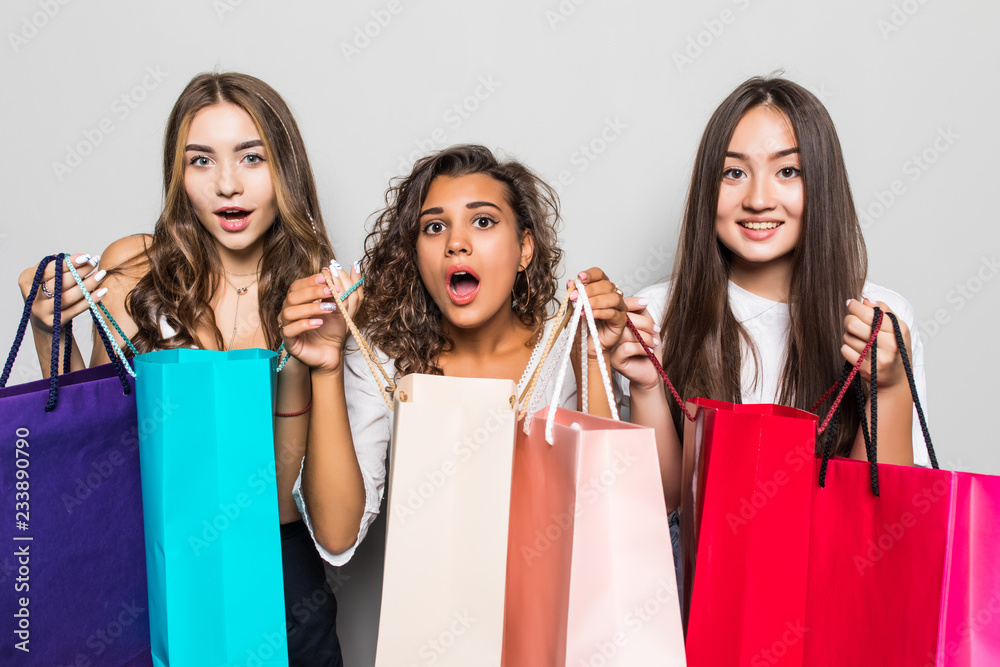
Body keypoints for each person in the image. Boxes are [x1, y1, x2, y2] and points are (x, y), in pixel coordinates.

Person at [17, 71, 346, 665]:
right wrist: (50, 329)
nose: (227, 185)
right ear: (178, 175)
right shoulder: (135, 270)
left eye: (252, 157)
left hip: (279, 576)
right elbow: (98, 445)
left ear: (286, 169)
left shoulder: (318, 293)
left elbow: (286, 498)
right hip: (153, 567)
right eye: (201, 161)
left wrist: (304, 365)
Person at [278, 144, 628, 564]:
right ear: (415, 254)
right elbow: (336, 536)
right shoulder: (382, 360)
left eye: (483, 222)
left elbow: (612, 521)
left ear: (525, 249)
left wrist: (591, 359)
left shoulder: (567, 348)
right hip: (433, 624)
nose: (456, 244)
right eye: (433, 227)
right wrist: (327, 366)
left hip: (558, 621)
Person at [613, 76, 930, 513]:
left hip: (829, 580)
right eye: (734, 172)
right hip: (700, 581)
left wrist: (889, 388)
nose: (758, 199)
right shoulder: (658, 312)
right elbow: (663, 516)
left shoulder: (881, 320)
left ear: (822, 183)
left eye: (787, 171)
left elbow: (879, 518)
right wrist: (647, 387)